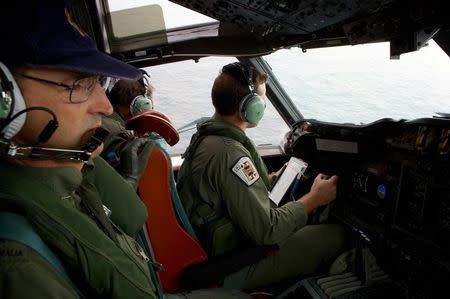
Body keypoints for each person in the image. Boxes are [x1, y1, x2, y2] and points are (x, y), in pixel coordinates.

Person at [0, 2, 249, 298]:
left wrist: (118, 178)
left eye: (99, 82)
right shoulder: (18, 266)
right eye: (79, 84)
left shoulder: (66, 169)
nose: (104, 106)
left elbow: (125, 222)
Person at [177, 62, 347, 290]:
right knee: (335, 235)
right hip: (227, 265)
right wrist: (314, 199)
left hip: (212, 248)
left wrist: (268, 180)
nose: (262, 105)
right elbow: (268, 231)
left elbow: (226, 192)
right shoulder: (229, 154)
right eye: (260, 100)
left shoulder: (208, 138)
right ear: (249, 107)